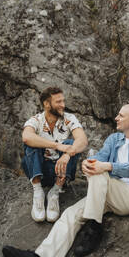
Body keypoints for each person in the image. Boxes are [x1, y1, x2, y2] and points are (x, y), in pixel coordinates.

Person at [2, 104, 129, 257]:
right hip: (103, 193)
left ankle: (94, 226)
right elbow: (100, 157)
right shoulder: (114, 139)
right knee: (70, 214)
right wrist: (89, 163)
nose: (116, 118)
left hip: (127, 198)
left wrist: (105, 166)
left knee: (99, 172)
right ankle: (41, 255)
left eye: (121, 115)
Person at [21, 87, 88, 223]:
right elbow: (27, 137)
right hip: (38, 170)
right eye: (58, 102)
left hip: (60, 171)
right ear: (47, 103)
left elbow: (82, 140)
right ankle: (38, 192)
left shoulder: (69, 118)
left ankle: (55, 192)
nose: (63, 105)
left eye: (63, 101)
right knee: (32, 143)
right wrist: (57, 145)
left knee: (72, 143)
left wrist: (67, 154)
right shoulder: (36, 120)